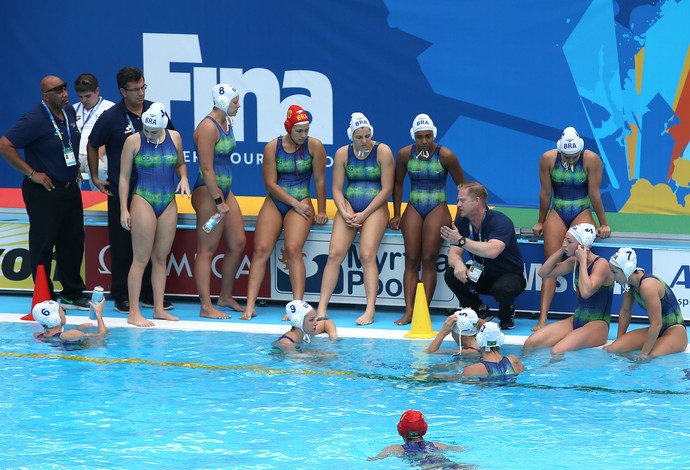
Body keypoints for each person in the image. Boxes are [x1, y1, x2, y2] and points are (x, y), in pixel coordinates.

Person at [87, 66, 175, 314]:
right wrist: (95, 177)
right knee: (124, 246)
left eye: (143, 87)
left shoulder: (155, 111)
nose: (140, 93)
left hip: (156, 191)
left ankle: (150, 294)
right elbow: (93, 144)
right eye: (135, 89)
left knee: (155, 248)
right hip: (124, 192)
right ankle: (122, 295)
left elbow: (172, 138)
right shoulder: (112, 117)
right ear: (122, 91)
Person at [0, 76, 90, 309]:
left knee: (73, 241)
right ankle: (44, 296)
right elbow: (4, 145)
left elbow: (67, 144)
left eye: (64, 87)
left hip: (70, 188)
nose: (64, 93)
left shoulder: (69, 113)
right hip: (44, 191)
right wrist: (32, 174)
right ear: (45, 96)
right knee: (43, 244)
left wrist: (74, 168)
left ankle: (72, 292)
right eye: (57, 90)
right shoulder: (34, 119)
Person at [241, 105, 328, 321]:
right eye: (299, 131)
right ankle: (250, 306)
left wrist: (323, 210)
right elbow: (270, 184)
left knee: (292, 249)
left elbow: (319, 180)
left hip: (302, 200)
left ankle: (296, 307)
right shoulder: (273, 147)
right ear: (288, 128)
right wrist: (294, 204)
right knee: (260, 249)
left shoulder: (314, 146)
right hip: (277, 200)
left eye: (307, 130)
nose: (304, 135)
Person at [316, 112, 394, 325]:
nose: (364, 141)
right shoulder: (343, 153)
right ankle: (322, 307)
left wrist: (364, 213)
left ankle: (370, 310)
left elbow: (387, 190)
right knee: (334, 254)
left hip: (375, 208)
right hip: (350, 207)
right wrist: (344, 212)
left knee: (367, 255)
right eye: (359, 137)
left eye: (367, 136)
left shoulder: (383, 151)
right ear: (351, 136)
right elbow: (337, 189)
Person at [532, 126, 611, 331]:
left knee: (581, 259)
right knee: (551, 262)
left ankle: (581, 317)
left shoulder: (591, 159)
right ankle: (542, 320)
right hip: (558, 210)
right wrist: (541, 221)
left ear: (580, 150)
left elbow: (594, 193)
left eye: (574, 156)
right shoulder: (548, 159)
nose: (571, 160)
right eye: (567, 156)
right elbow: (546, 193)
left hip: (581, 210)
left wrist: (603, 223)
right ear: (560, 151)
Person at [390, 114, 466, 325]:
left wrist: (459, 220)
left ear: (434, 134)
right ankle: (408, 311)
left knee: (428, 259)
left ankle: (422, 311)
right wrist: (396, 213)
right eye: (420, 137)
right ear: (413, 136)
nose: (424, 141)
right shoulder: (405, 154)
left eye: (428, 136)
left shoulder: (446, 155)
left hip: (437, 207)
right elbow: (397, 184)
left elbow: (463, 188)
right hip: (414, 206)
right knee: (411, 260)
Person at [119, 102, 190, 327]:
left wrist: (185, 178)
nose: (148, 135)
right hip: (143, 200)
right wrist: (124, 208)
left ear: (163, 126)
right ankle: (134, 312)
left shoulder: (175, 137)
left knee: (161, 258)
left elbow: (180, 164)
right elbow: (124, 177)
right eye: (146, 131)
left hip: (168, 201)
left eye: (153, 131)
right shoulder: (133, 141)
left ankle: (159, 309)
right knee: (140, 259)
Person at [191, 84, 246, 319]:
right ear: (223, 102)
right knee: (207, 249)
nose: (239, 106)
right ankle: (206, 306)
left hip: (225, 192)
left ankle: (224, 296)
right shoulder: (207, 128)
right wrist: (218, 200)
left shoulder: (227, 122)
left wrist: (224, 197)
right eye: (235, 102)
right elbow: (206, 168)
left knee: (238, 242)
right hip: (208, 194)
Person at [440, 182, 527, 330]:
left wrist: (461, 240)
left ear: (477, 201)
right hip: (480, 273)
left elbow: (492, 251)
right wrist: (459, 264)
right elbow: (454, 254)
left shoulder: (500, 221)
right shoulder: (462, 221)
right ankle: (480, 309)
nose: (458, 204)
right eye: (458, 200)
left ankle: (506, 316)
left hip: (509, 275)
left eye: (462, 200)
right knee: (451, 274)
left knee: (503, 288)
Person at [523, 223, 614, 354]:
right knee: (530, 343)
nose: (564, 243)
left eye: (569, 241)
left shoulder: (601, 264)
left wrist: (583, 262)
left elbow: (586, 292)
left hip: (597, 325)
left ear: (584, 244)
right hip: (576, 320)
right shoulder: (573, 262)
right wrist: (561, 250)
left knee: (557, 350)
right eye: (565, 239)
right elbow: (543, 273)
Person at [603, 247, 688, 359]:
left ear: (627, 270)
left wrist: (643, 353)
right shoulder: (630, 283)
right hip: (656, 330)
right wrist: (619, 341)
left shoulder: (647, 286)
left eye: (614, 272)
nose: (612, 277)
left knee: (647, 358)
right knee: (612, 349)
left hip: (675, 331)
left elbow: (657, 324)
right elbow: (625, 312)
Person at [368, 410, 465, 468]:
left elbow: (376, 459)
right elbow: (459, 449)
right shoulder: (436, 445)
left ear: (400, 430)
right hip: (451, 465)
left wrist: (372, 459)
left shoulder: (395, 449)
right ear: (425, 429)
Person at [72, 73, 114, 186]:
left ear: (97, 91)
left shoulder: (110, 108)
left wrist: (101, 150)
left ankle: (102, 200)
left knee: (100, 169)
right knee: (66, 170)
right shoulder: (72, 109)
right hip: (75, 155)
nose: (84, 100)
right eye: (80, 97)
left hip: (97, 152)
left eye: (87, 96)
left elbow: (114, 134)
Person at [32, 298, 108, 345]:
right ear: (56, 318)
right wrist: (98, 313)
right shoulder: (72, 334)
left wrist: (79, 328)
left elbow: (64, 336)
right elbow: (102, 336)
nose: (64, 313)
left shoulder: (38, 336)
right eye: (62, 311)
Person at [274, 300, 339, 354]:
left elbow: (327, 322)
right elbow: (297, 360)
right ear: (298, 321)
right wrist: (317, 353)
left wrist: (333, 338)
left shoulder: (306, 330)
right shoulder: (286, 343)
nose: (316, 323)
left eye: (315, 318)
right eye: (311, 319)